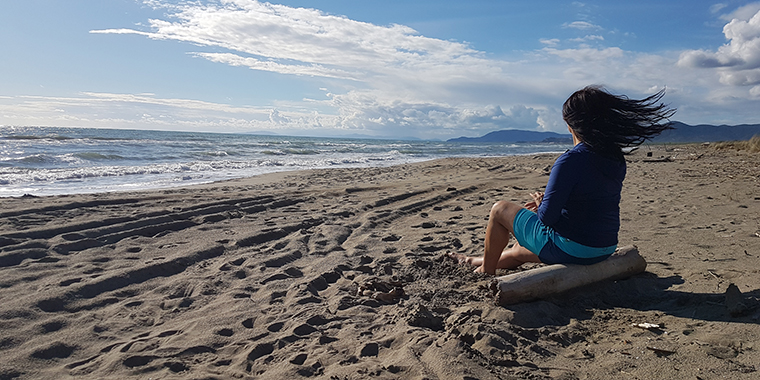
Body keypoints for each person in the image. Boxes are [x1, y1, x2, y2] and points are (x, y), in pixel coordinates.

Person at [449, 85, 676, 274]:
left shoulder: (570, 160)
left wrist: (541, 203)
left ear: (571, 124)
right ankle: (472, 261)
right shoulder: (615, 158)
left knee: (499, 210)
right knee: (520, 252)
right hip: (603, 246)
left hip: (573, 247)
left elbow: (548, 218)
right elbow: (589, 200)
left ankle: (485, 273)